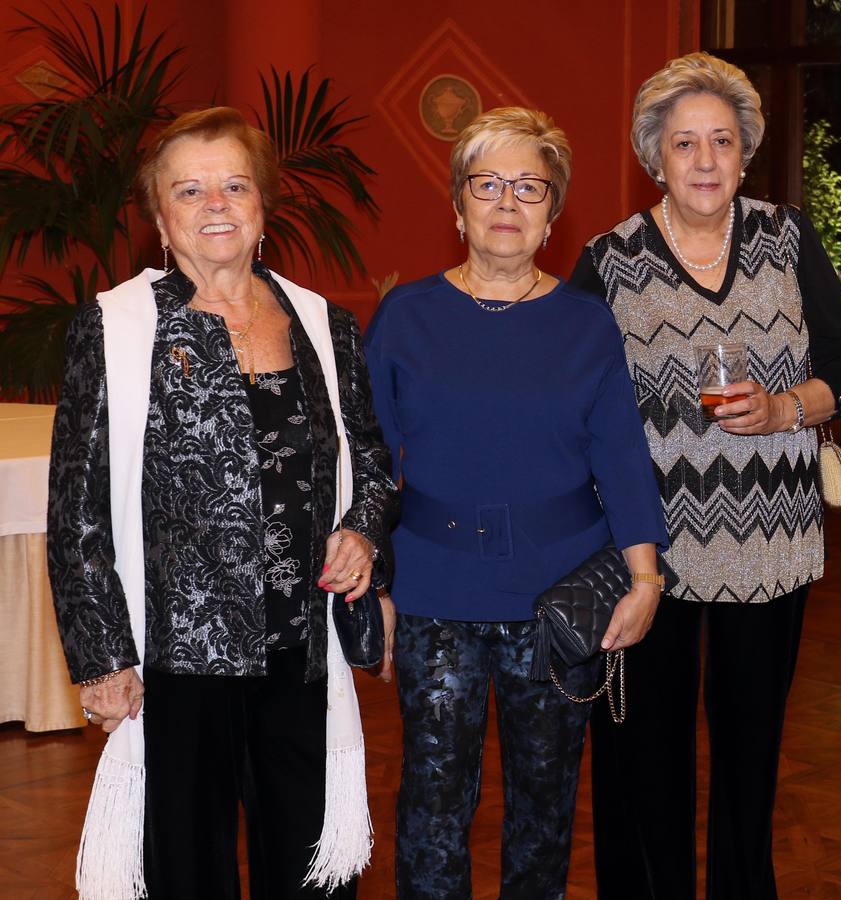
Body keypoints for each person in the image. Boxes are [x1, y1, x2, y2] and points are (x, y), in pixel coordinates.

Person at [48, 106, 398, 899]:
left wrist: (362, 532)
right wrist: (101, 657)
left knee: (306, 869)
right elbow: (77, 509)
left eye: (234, 186)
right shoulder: (115, 328)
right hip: (178, 658)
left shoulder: (322, 323)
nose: (215, 204)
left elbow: (372, 462)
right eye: (191, 189)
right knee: (186, 868)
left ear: (263, 208)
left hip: (300, 650)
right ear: (160, 217)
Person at [569, 52, 841, 900]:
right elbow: (574, 404)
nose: (704, 161)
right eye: (683, 144)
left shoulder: (787, 238)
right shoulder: (608, 260)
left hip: (769, 546)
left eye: (722, 142)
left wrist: (783, 409)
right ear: (651, 157)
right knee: (644, 757)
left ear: (745, 153)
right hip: (645, 554)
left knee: (750, 755)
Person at [363, 106, 669, 899]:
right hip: (435, 591)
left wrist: (646, 579)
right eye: (487, 184)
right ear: (456, 205)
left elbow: (622, 456)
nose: (506, 203)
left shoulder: (587, 323)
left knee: (544, 803)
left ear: (554, 212)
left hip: (559, 597)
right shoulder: (406, 314)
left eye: (528, 187)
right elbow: (366, 461)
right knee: (432, 800)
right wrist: (380, 585)